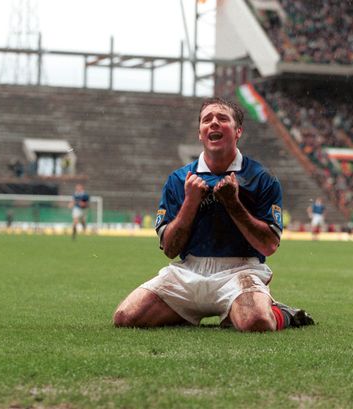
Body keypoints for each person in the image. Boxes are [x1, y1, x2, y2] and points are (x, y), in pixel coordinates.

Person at [113, 97, 314, 332]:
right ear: (200, 133)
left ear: (238, 131)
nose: (214, 123)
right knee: (126, 317)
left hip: (240, 270)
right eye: (207, 119)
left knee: (257, 322)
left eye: (222, 118)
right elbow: (169, 249)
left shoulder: (262, 178)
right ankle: (202, 312)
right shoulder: (178, 180)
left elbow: (269, 245)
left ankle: (283, 313)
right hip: (189, 270)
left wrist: (233, 203)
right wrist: (190, 202)